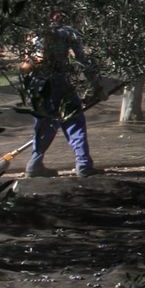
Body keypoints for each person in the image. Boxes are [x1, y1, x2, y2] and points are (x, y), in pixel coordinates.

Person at [19, 11, 103, 176]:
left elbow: (24, 66)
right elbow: (82, 60)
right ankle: (83, 163)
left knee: (44, 123)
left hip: (37, 84)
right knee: (74, 120)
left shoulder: (31, 33)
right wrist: (96, 85)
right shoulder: (66, 32)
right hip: (58, 82)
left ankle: (35, 164)